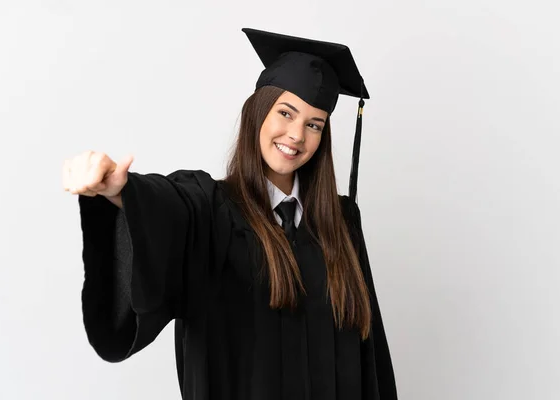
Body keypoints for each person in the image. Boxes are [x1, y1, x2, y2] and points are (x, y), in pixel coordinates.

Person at [63, 27, 398, 400]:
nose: (297, 135)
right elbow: (168, 205)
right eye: (285, 113)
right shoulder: (211, 208)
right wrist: (119, 192)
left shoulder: (342, 221)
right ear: (257, 112)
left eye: (314, 125)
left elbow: (370, 352)